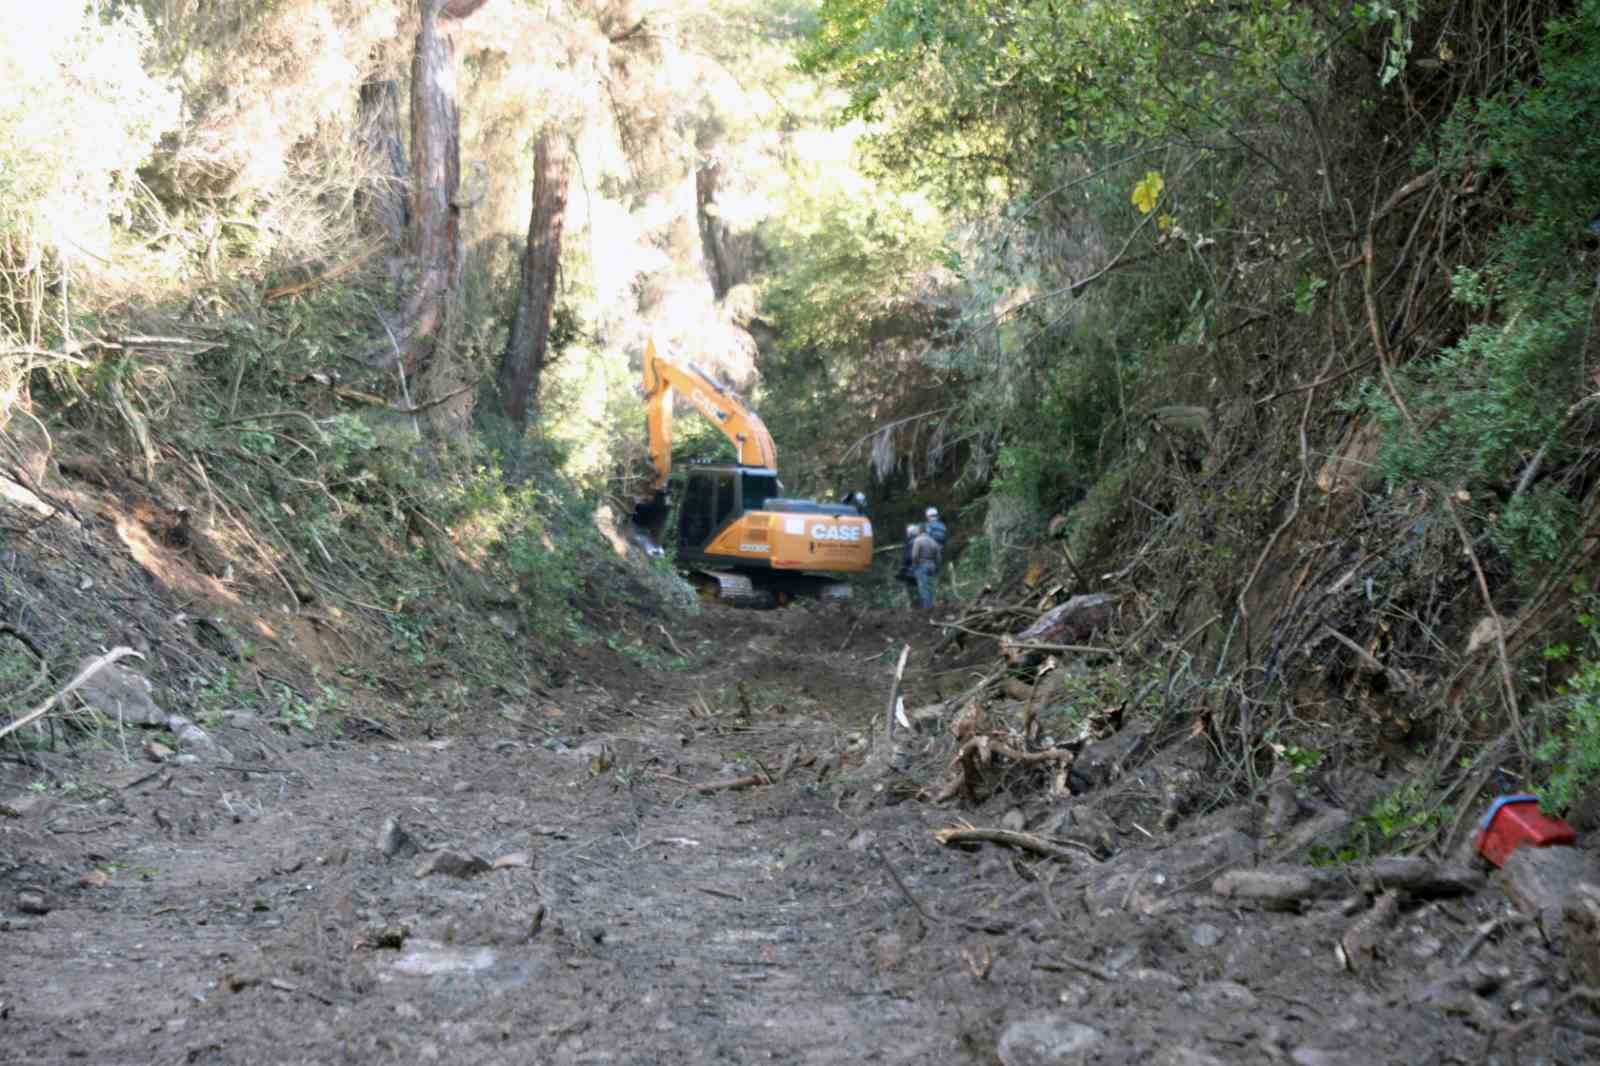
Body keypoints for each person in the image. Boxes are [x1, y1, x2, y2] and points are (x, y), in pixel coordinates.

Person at [909, 522, 942, 610]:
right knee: (930, 587)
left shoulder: (918, 540)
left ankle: (926, 609)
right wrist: (936, 566)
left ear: (919, 530)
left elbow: (914, 556)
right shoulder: (932, 540)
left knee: (923, 588)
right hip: (932, 566)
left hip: (922, 565)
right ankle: (931, 606)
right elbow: (938, 557)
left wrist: (915, 565)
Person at [899, 524, 921, 606]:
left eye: (908, 532)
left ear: (910, 533)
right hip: (923, 567)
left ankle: (915, 605)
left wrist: (903, 567)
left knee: (912, 589)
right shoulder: (922, 540)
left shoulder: (911, 542)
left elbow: (907, 557)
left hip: (912, 570)